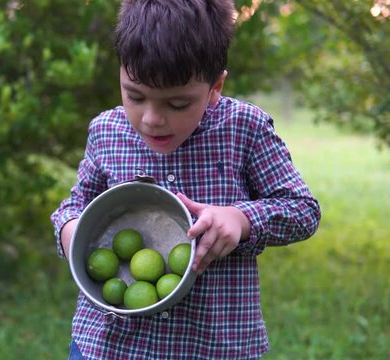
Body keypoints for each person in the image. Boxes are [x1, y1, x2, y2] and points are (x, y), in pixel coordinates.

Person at [50, 0, 321, 358]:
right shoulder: (106, 131)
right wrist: (72, 230)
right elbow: (73, 205)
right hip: (109, 347)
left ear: (215, 87)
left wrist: (240, 220)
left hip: (212, 346)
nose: (151, 119)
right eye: (135, 96)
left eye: (177, 104)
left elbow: (302, 210)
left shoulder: (244, 129)